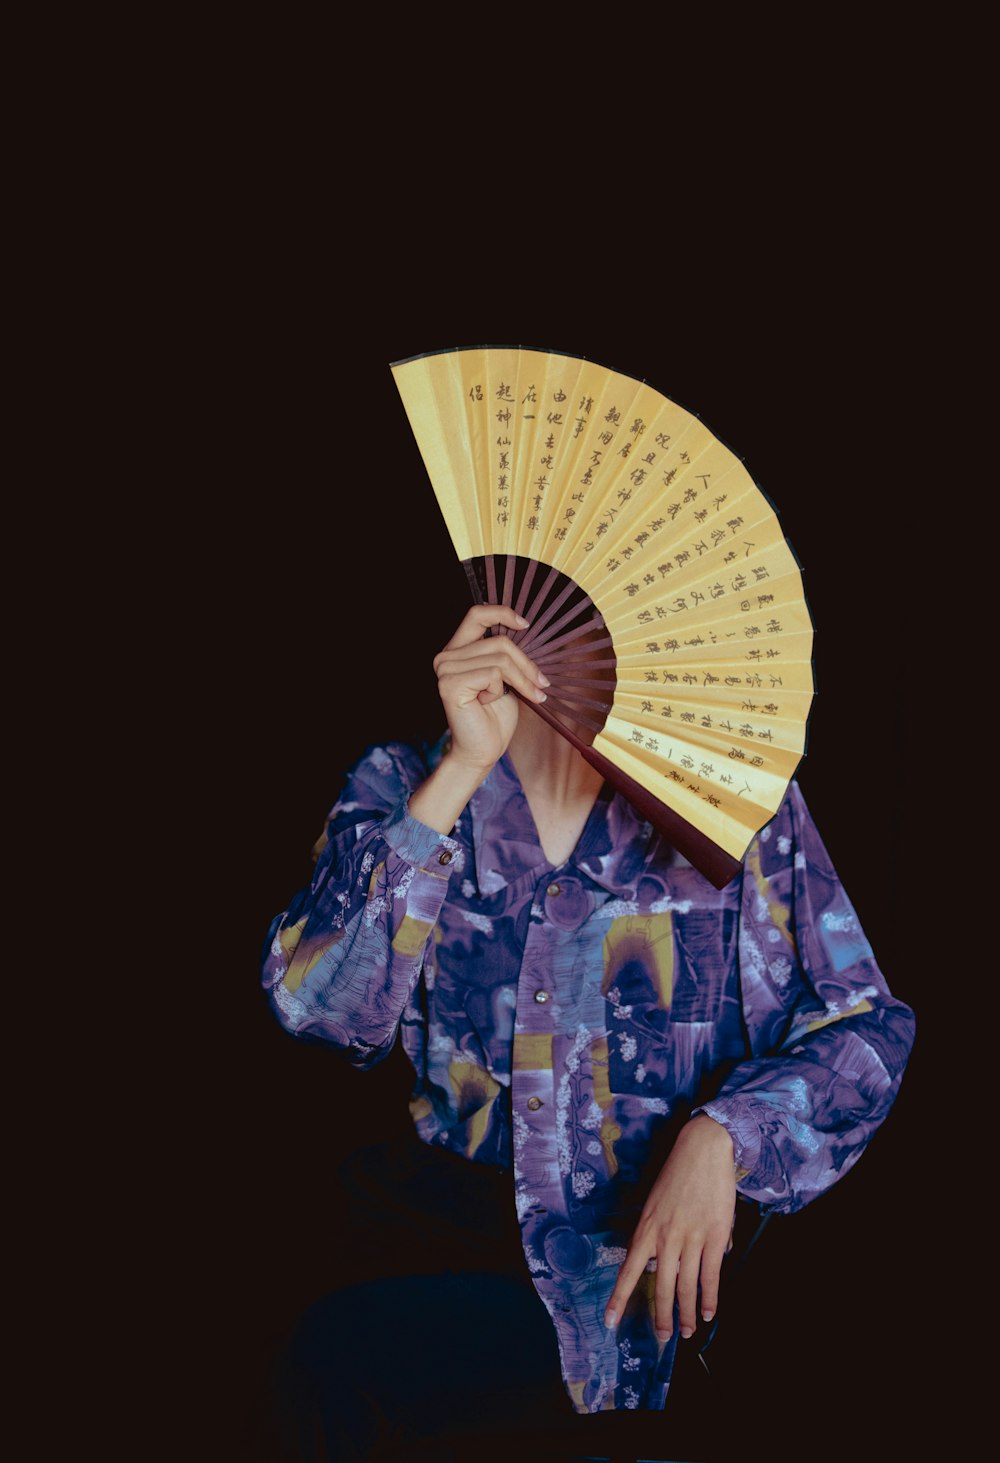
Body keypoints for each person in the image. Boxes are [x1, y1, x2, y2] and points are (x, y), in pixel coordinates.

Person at [260, 604, 915, 1460]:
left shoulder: (740, 806)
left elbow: (866, 1025)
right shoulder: (400, 781)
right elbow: (320, 1010)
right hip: (445, 1259)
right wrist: (460, 767)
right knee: (328, 1361)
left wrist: (727, 1134)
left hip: (663, 1287)